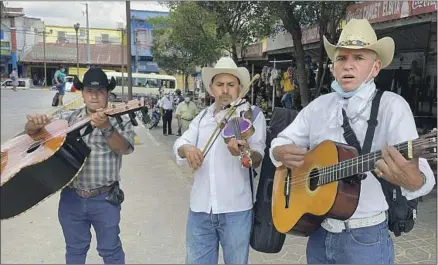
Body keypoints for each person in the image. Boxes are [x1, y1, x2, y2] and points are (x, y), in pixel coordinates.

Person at [269, 19, 436, 264]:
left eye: (358, 58)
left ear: (375, 67)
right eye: (342, 58)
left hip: (365, 238)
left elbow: (420, 178)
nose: (348, 66)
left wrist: (410, 180)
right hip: (319, 231)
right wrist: (279, 151)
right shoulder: (319, 106)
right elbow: (282, 141)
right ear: (334, 66)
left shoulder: (391, 106)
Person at [24, 68, 136, 264]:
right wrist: (33, 126)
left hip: (105, 199)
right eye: (89, 91)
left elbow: (124, 149)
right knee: (75, 250)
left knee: (111, 250)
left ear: (108, 94)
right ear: (82, 94)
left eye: (100, 90)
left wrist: (105, 127)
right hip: (71, 198)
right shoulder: (68, 118)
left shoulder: (121, 118)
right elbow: (34, 137)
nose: (94, 95)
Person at [173, 57, 267, 264]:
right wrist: (187, 149)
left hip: (236, 210)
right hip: (200, 209)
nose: (225, 90)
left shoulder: (252, 115)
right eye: (220, 84)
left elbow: (258, 155)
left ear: (240, 87)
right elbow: (181, 143)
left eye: (231, 85)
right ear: (211, 89)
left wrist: (246, 153)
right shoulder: (202, 118)